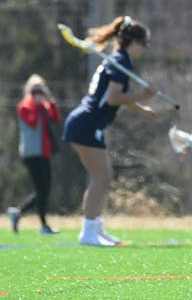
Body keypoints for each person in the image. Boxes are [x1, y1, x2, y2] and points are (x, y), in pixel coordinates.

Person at [62, 16, 159, 246]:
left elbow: (115, 95)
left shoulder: (120, 59)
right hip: (86, 122)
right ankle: (88, 233)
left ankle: (96, 228)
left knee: (103, 176)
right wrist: (143, 95)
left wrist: (142, 108)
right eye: (142, 45)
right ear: (132, 42)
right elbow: (115, 98)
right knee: (102, 176)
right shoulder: (121, 62)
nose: (142, 50)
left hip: (87, 122)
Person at [7, 74, 62, 235]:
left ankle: (18, 212)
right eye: (35, 90)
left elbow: (56, 118)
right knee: (42, 188)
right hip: (31, 153)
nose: (38, 93)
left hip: (44, 151)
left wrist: (50, 99)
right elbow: (31, 121)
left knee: (44, 188)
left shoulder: (44, 106)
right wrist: (37, 103)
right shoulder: (24, 106)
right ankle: (42, 224)